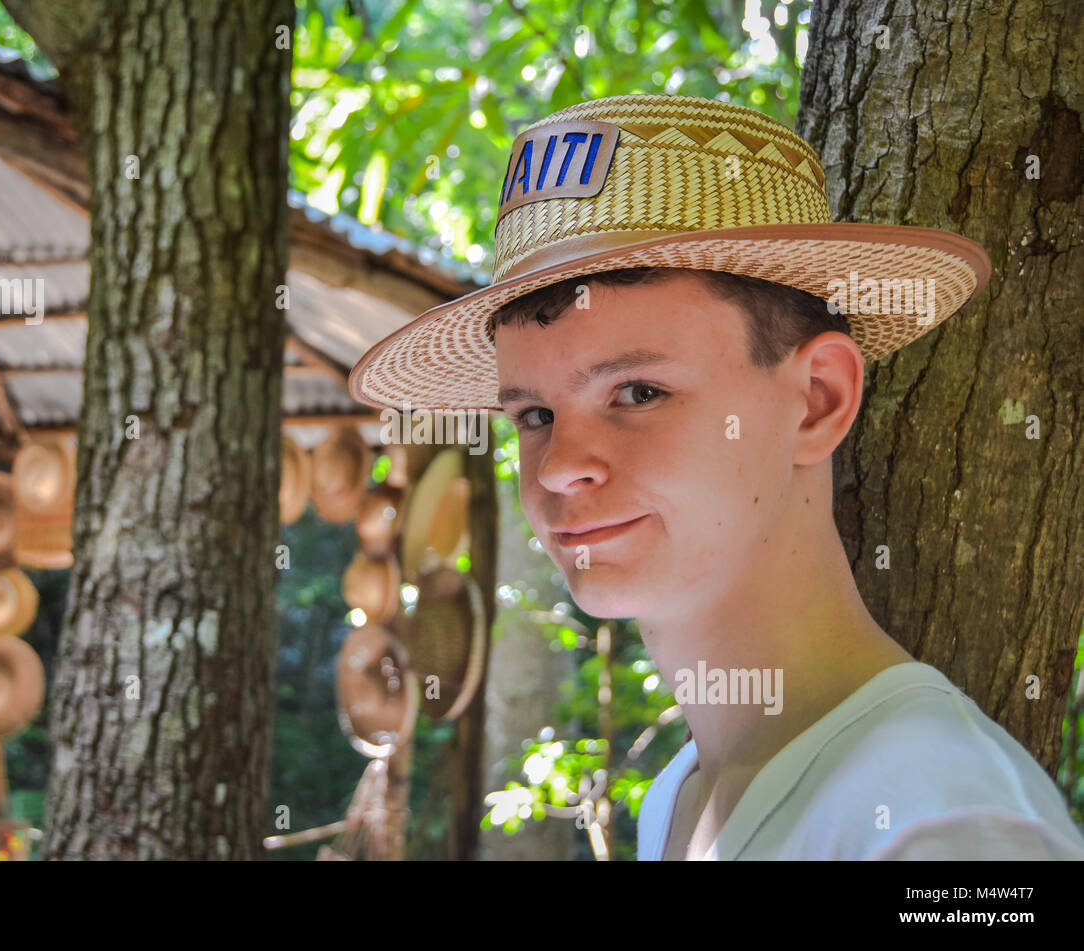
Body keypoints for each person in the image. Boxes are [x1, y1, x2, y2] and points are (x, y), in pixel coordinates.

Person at [349, 94, 1084, 859]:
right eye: (534, 415)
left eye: (638, 393)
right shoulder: (684, 796)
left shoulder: (949, 830)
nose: (562, 467)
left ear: (816, 401)